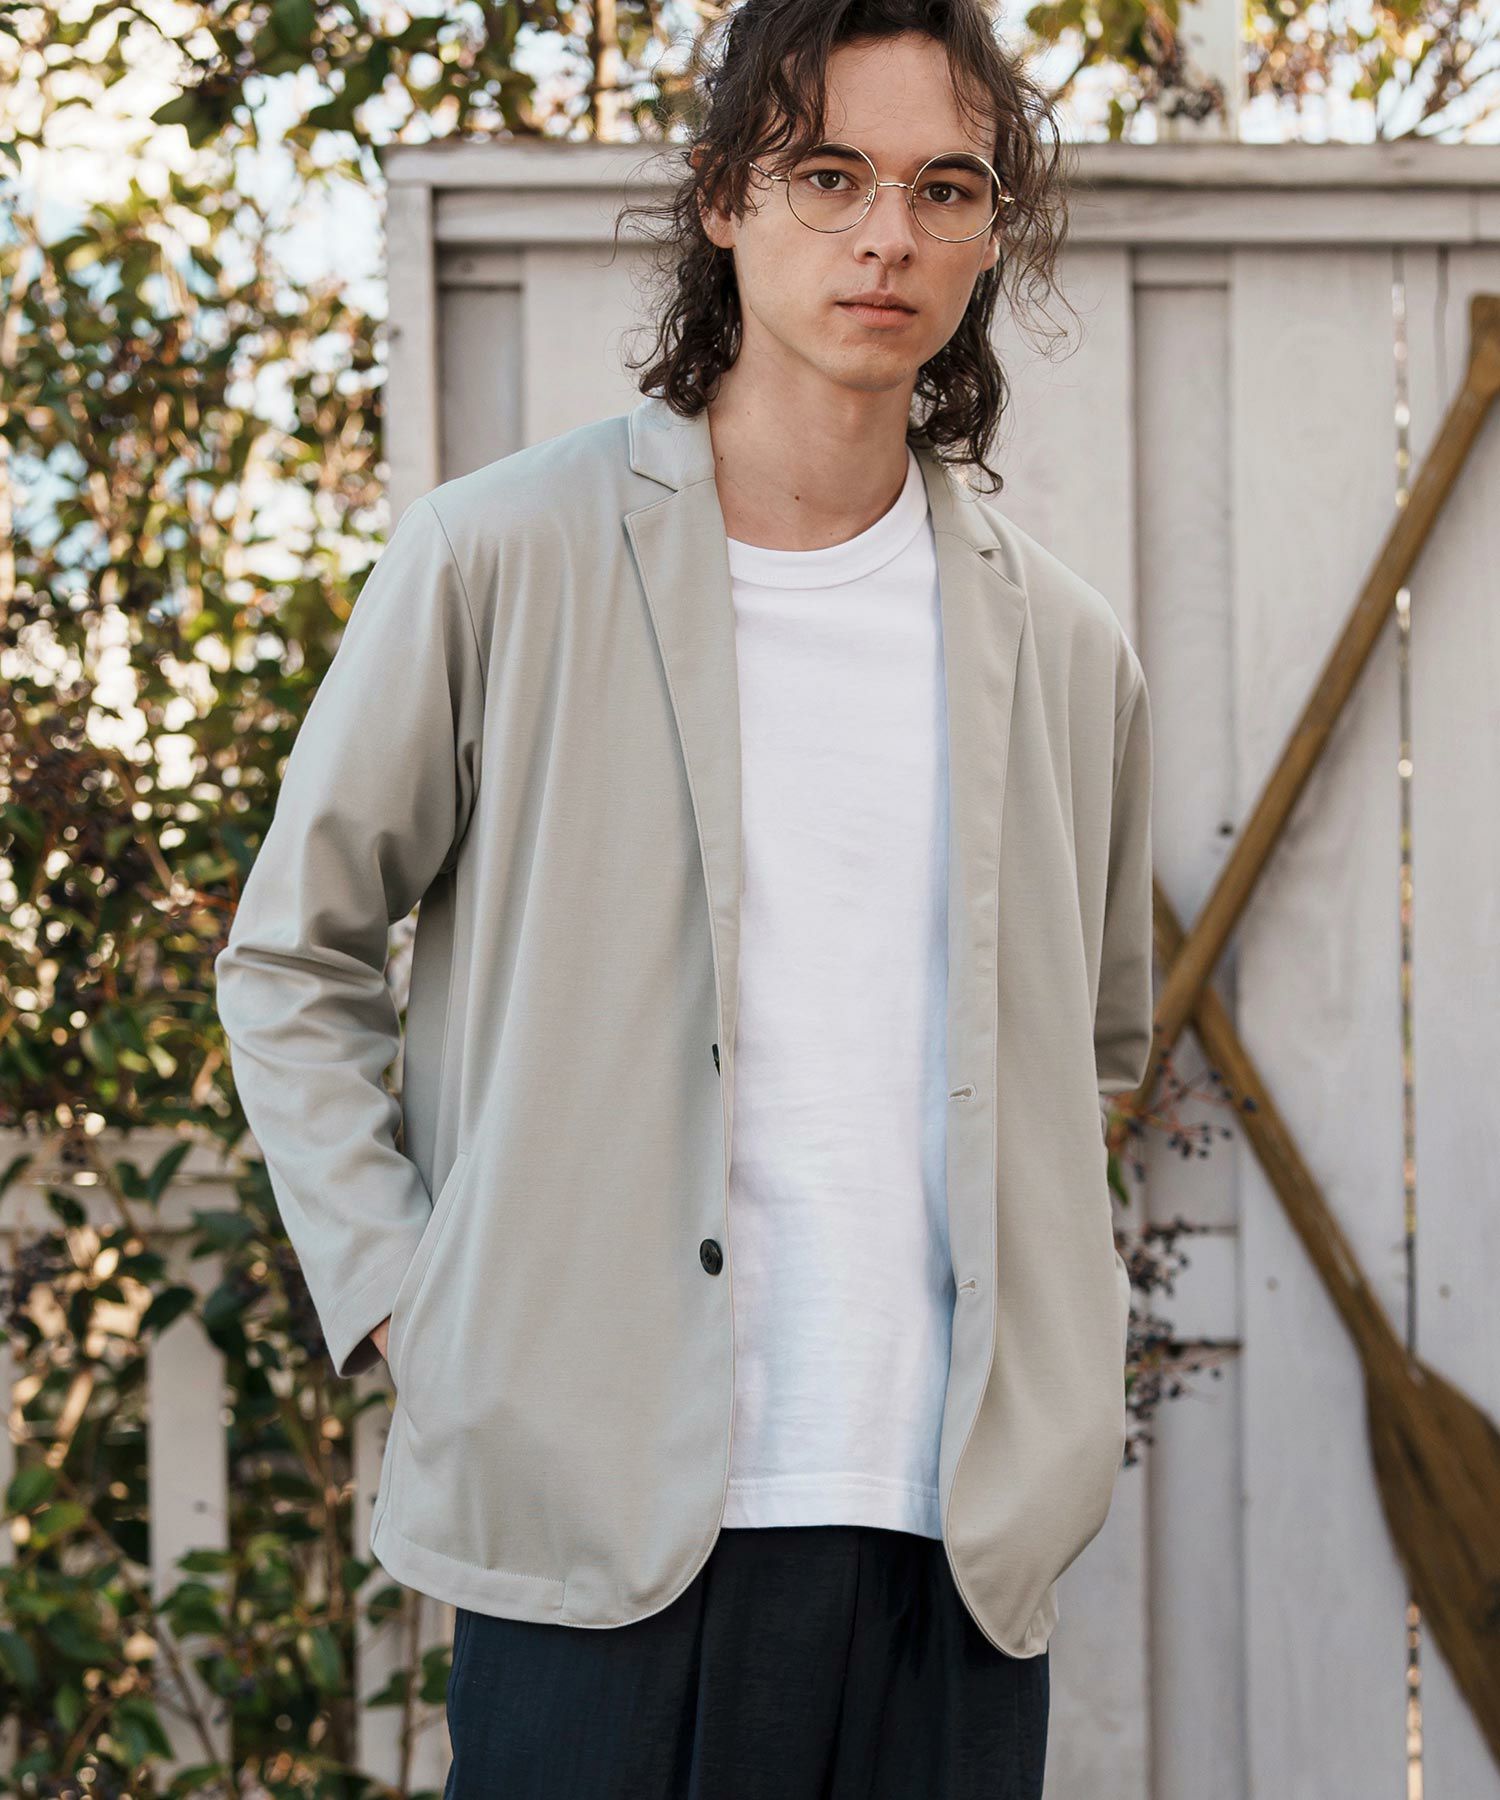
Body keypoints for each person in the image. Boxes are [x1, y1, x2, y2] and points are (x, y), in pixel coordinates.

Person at [213, 2, 1155, 1795]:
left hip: (954, 1545)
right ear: (725, 198)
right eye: (830, 176)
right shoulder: (501, 557)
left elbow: (1093, 1054)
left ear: (990, 233)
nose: (888, 237)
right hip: (600, 1517)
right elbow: (294, 954)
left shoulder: (1068, 647)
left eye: (946, 188)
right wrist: (415, 1298)